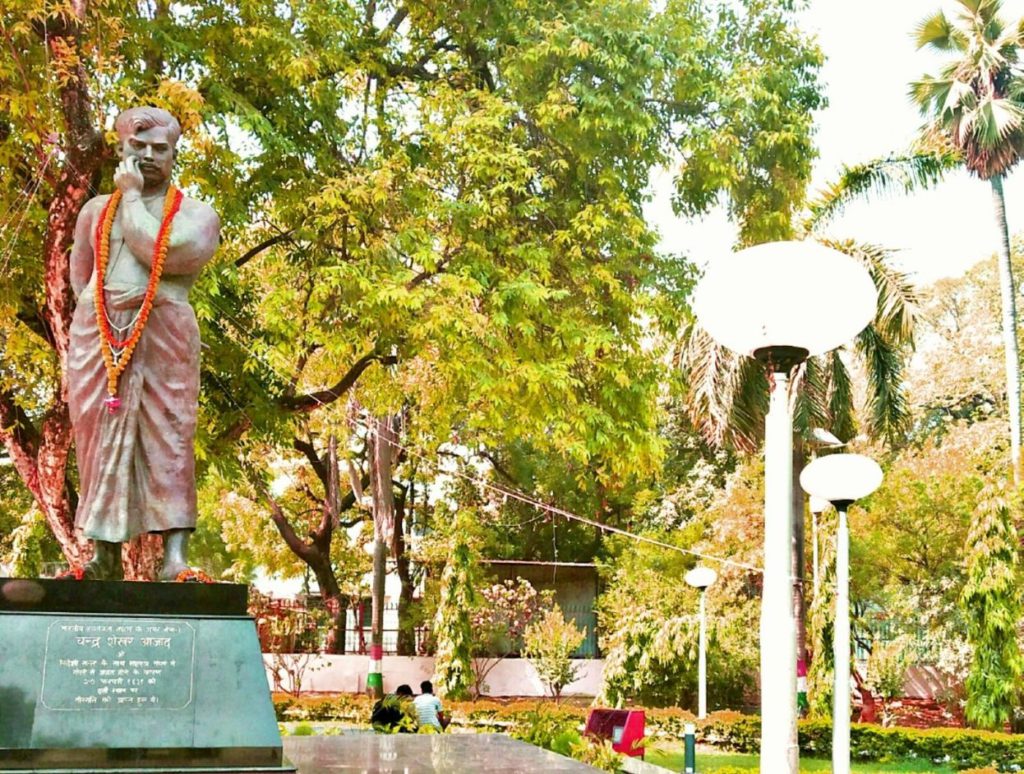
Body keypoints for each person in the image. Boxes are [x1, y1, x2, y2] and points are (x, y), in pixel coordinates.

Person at [67, 106, 220, 580]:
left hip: (164, 332)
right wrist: (101, 315)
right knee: (97, 441)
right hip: (100, 335)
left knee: (170, 436)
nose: (149, 156)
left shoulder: (198, 215)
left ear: (175, 155)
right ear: (120, 149)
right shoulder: (94, 212)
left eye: (161, 149)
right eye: (139, 147)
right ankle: (103, 554)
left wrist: (131, 198)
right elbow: (80, 275)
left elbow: (158, 252)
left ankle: (174, 559)